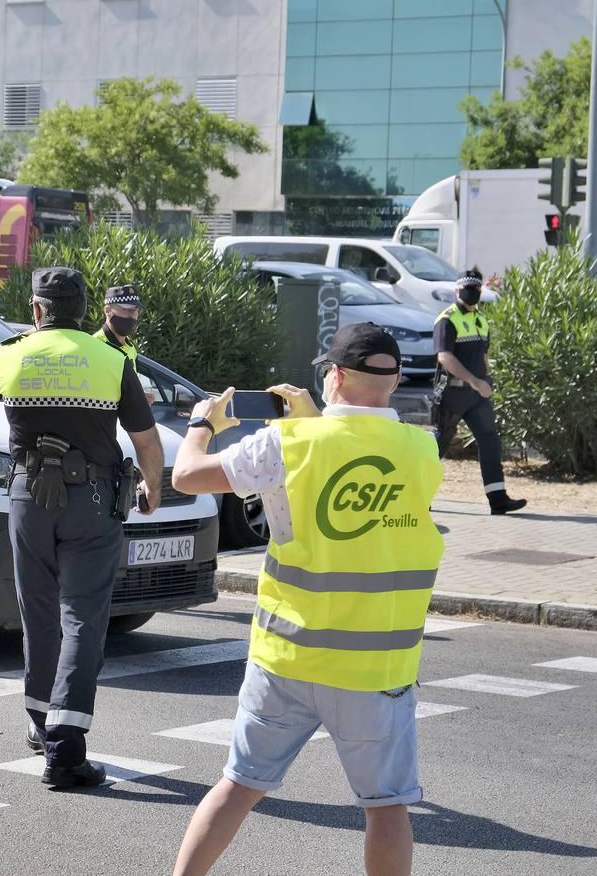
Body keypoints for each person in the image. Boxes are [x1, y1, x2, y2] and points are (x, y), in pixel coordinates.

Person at [167, 324, 445, 876]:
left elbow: (186, 476)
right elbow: (354, 463)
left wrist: (203, 423)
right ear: (391, 383)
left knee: (239, 787)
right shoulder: (422, 447)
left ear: (334, 375)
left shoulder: (287, 443)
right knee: (386, 807)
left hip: (286, 659)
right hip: (374, 670)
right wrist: (316, 420)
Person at [0, 267, 163, 789]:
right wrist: (153, 490)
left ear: (36, 309)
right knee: (82, 618)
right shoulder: (110, 360)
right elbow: (146, 440)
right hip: (93, 500)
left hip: (27, 496)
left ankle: (39, 724)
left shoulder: (9, 352)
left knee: (36, 611)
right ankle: (65, 747)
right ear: (87, 312)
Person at [433, 269, 526, 515]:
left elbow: (482, 356)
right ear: (457, 290)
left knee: (490, 442)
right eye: (467, 289)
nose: (472, 293)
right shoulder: (447, 318)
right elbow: (445, 357)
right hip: (453, 393)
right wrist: (475, 381)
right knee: (438, 445)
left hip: (477, 395)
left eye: (476, 289)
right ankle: (417, 496)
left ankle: (498, 500)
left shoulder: (482, 320)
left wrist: (487, 379)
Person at [93, 283, 142, 361]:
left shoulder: (131, 349)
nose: (132, 315)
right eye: (127, 309)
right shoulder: (95, 345)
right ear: (107, 311)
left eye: (135, 310)